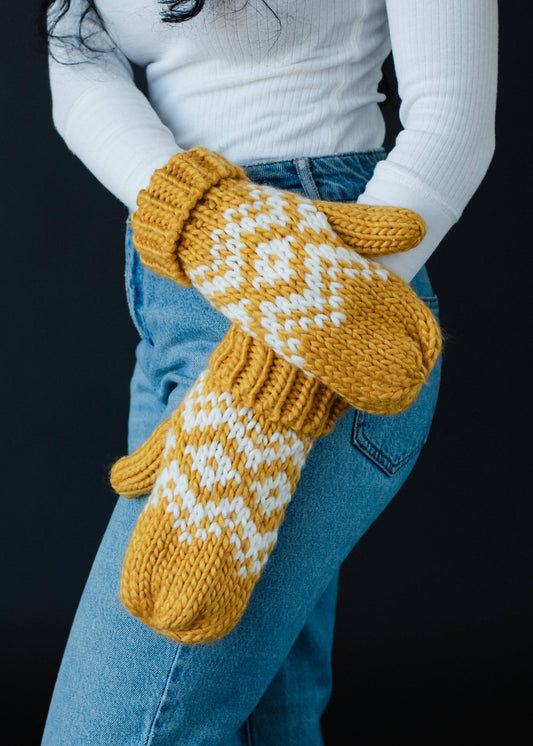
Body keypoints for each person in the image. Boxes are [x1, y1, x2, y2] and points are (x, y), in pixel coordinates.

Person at [40, 1, 498, 743]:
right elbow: (80, 60)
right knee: (270, 722)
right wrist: (203, 218)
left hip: (342, 285)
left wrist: (288, 345)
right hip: (176, 284)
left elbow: (454, 117)